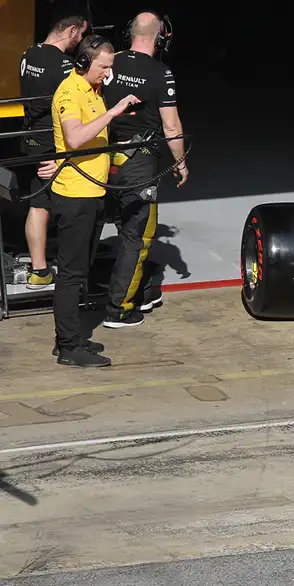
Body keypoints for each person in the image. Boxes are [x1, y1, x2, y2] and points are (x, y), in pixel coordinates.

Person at [50, 34, 141, 366]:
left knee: (82, 270)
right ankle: (69, 345)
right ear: (83, 63)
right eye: (104, 67)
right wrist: (113, 113)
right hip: (75, 196)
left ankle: (75, 337)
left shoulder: (93, 90)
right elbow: (73, 137)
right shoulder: (69, 92)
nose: (108, 73)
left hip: (94, 193)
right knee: (71, 273)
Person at [101, 12, 187, 329]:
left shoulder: (108, 61)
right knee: (137, 235)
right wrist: (180, 162)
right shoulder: (161, 73)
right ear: (161, 38)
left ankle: (134, 291)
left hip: (99, 158)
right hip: (138, 163)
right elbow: (171, 125)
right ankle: (118, 309)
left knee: (104, 227)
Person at [17, 12, 89, 290]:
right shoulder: (64, 67)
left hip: (30, 137)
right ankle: (72, 271)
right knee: (67, 205)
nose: (80, 40)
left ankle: (39, 270)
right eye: (80, 34)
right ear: (71, 30)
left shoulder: (28, 54)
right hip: (54, 143)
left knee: (38, 205)